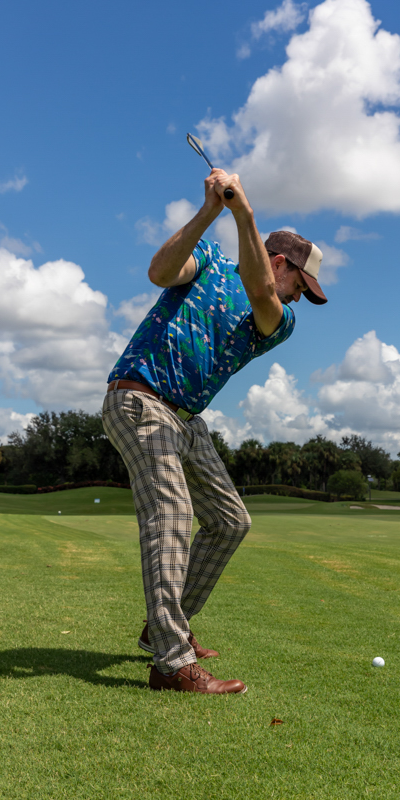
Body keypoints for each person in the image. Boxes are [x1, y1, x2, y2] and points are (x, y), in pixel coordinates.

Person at [102, 165, 327, 694]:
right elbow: (159, 272)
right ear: (281, 262)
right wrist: (210, 211)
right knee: (172, 515)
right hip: (139, 399)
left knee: (230, 521)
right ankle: (172, 664)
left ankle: (163, 625)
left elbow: (262, 293)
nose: (299, 298)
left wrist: (243, 213)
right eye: (301, 285)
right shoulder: (206, 260)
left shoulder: (278, 319)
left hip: (187, 420)